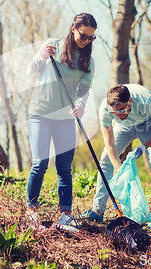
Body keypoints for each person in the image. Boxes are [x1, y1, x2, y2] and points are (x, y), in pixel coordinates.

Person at [26, 12, 97, 228]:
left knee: (65, 167)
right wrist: (40, 56)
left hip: (66, 118)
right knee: (40, 163)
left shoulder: (88, 61)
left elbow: (84, 89)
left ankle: (65, 213)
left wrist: (80, 105)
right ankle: (31, 208)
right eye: (84, 35)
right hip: (40, 114)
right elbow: (30, 72)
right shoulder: (52, 46)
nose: (86, 41)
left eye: (91, 38)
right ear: (73, 29)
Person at [83, 84, 151, 221]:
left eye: (122, 110)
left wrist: (144, 146)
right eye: (115, 113)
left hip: (148, 124)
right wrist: (118, 169)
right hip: (124, 128)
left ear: (129, 102)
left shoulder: (146, 100)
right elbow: (110, 144)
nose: (119, 115)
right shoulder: (105, 109)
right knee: (106, 159)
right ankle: (98, 209)